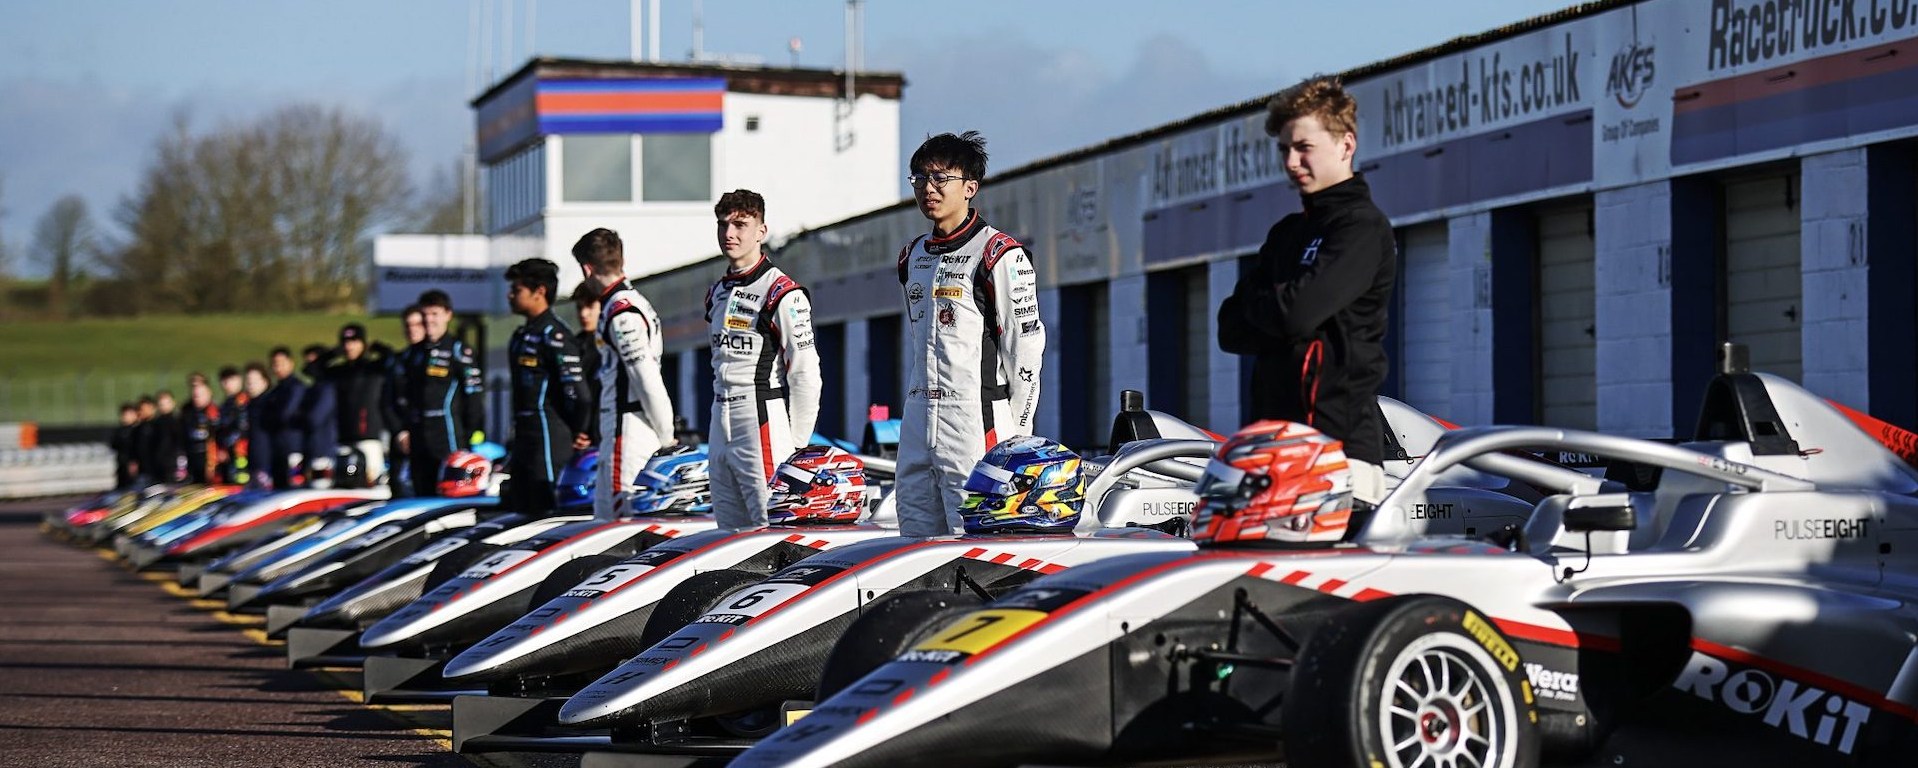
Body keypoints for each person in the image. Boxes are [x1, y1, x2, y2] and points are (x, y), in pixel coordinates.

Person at [1217, 76, 1395, 497]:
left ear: (1346, 145)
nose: (1292, 162)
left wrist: (1274, 310)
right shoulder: (1287, 232)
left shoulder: (1361, 228)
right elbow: (1229, 327)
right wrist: (1281, 312)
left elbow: (1295, 314)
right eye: (1285, 150)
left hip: (1339, 454)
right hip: (1273, 450)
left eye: (1304, 148)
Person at [892, 131, 1046, 537]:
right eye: (920, 178)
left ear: (970, 188)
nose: (929, 188)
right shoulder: (913, 255)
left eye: (941, 178)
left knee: (972, 542)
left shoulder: (999, 253)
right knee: (912, 543)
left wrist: (1019, 432)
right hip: (917, 416)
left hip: (976, 419)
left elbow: (1026, 348)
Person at [705, 189, 822, 529]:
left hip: (760, 417)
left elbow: (805, 371)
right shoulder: (717, 292)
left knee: (770, 526)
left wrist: (798, 441)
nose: (729, 233)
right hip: (719, 416)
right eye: (723, 224)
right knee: (727, 531)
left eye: (740, 224)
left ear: (761, 231)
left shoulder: (782, 291)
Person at [571, 228, 675, 520]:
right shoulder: (629, 302)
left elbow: (646, 378)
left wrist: (667, 435)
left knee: (617, 526)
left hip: (628, 430)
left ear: (587, 268)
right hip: (629, 427)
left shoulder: (621, 313)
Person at [503, 258, 592, 512]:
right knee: (519, 510)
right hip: (523, 440)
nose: (510, 295)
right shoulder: (521, 336)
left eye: (516, 290)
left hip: (550, 441)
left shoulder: (555, 336)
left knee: (547, 510)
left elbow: (581, 395)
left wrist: (579, 430)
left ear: (539, 292)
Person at [398, 290, 485, 497]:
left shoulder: (459, 350)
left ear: (448, 315)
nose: (429, 320)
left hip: (449, 436)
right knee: (420, 491)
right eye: (425, 314)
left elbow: (474, 397)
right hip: (419, 437)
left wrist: (471, 433)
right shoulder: (413, 354)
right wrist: (402, 429)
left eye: (434, 314)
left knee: (451, 490)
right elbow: (401, 397)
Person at [315, 323, 397, 487]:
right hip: (344, 438)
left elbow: (393, 361)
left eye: (354, 342)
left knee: (375, 482)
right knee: (343, 484)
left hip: (369, 436)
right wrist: (333, 353)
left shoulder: (373, 368)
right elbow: (312, 369)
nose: (349, 346)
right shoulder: (340, 371)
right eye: (345, 342)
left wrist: (379, 348)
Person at [383, 305, 428, 496]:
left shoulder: (437, 358)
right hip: (402, 441)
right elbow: (386, 401)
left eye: (417, 324)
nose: (412, 329)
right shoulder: (398, 361)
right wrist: (400, 432)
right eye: (408, 325)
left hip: (429, 437)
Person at [256, 348, 308, 488]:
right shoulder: (275, 391)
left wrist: (271, 416)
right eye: (274, 364)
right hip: (278, 448)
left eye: (281, 363)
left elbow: (285, 414)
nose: (278, 368)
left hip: (293, 448)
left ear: (291, 363)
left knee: (292, 488)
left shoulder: (296, 387)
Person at [297, 343, 338, 485]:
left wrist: (299, 417)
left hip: (322, 450)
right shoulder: (315, 387)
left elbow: (314, 418)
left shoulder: (327, 388)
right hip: (313, 449)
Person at [570, 283, 603, 452]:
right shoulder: (572, 345)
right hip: (579, 441)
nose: (584, 314)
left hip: (605, 436)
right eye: (579, 307)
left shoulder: (613, 346)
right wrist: (575, 432)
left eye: (590, 306)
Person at [182, 373, 221, 484]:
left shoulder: (213, 411)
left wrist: (212, 464)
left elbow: (216, 437)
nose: (196, 396)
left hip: (210, 460)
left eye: (200, 394)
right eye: (194, 393)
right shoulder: (187, 410)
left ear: (208, 392)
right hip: (191, 459)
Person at [213, 367, 250, 484]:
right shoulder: (225, 404)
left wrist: (227, 445)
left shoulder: (243, 401)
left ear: (239, 380)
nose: (227, 384)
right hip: (228, 453)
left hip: (241, 452)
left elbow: (242, 427)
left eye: (231, 380)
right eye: (224, 381)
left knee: (241, 482)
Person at [239, 363, 272, 488]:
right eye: (248, 381)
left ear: (265, 382)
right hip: (252, 462)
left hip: (267, 463)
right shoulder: (247, 406)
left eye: (254, 381)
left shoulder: (270, 404)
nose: (250, 385)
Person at [146, 390, 186, 483]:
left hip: (173, 464)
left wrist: (181, 463)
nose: (164, 407)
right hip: (158, 464)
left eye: (167, 403)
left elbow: (180, 444)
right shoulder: (155, 424)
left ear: (173, 403)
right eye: (161, 404)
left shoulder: (177, 422)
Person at [110, 403, 138, 488]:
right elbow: (114, 445)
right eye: (124, 414)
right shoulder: (119, 431)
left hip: (133, 465)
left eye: (128, 414)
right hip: (122, 464)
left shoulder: (137, 430)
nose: (125, 417)